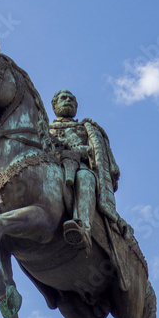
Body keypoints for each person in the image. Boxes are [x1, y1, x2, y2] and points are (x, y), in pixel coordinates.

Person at [48, 89, 123, 254]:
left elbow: (96, 153)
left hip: (80, 166)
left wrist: (81, 150)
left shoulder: (85, 128)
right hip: (49, 165)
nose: (67, 101)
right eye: (63, 98)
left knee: (85, 177)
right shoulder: (45, 128)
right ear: (54, 106)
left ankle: (83, 228)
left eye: (71, 99)